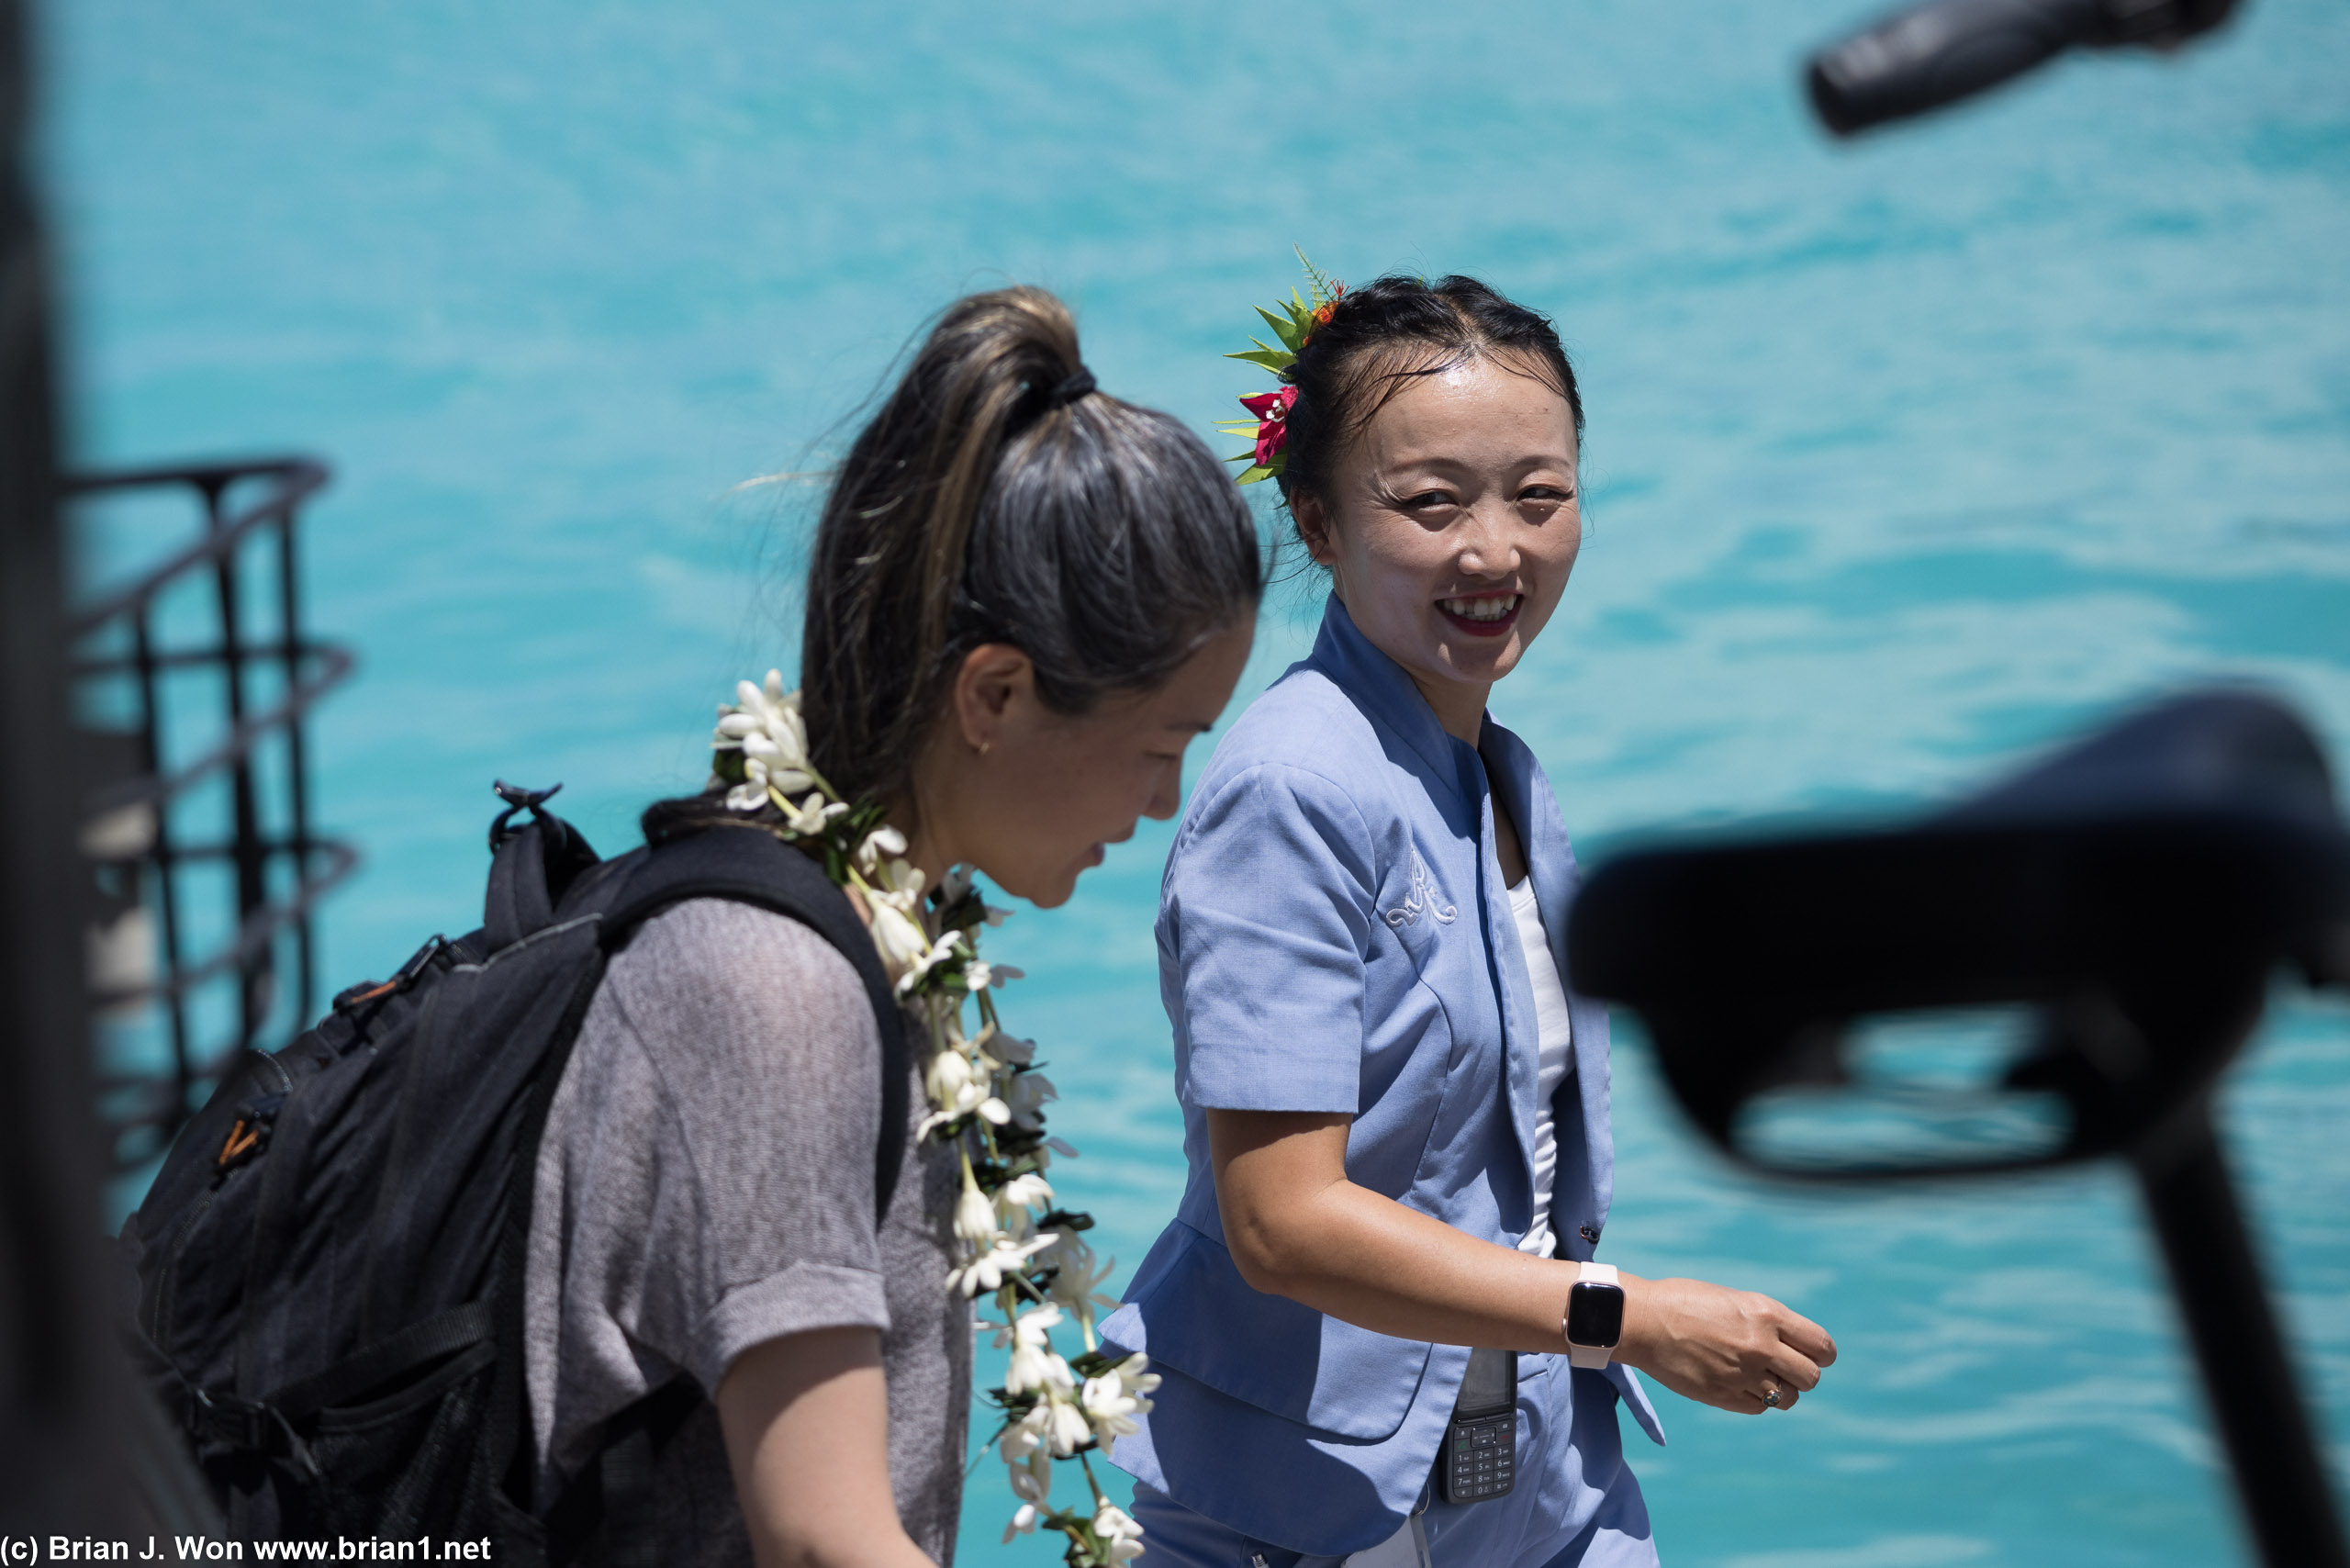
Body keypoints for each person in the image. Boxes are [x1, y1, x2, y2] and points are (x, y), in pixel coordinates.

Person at [1099, 274, 1838, 1567]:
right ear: (1317, 520)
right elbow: (1282, 1219)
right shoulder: (1293, 790)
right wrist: (1629, 1316)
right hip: (1307, 1506)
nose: (1495, 551)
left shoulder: (1505, 773)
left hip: (1537, 1466)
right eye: (1431, 504)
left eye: (1539, 497)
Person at [522, 287, 1261, 1567]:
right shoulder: (772, 990)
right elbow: (823, 1539)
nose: (1166, 806)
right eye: (1161, 745)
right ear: (996, 692)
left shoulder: (869, 925)